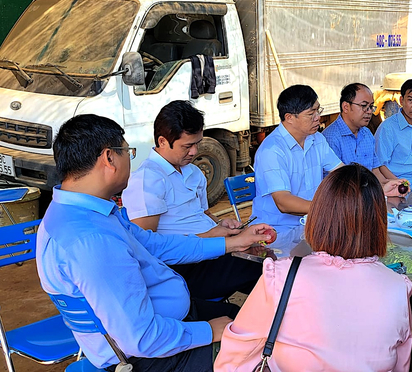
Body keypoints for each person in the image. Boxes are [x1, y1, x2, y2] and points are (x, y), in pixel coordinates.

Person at [36, 114, 275, 372]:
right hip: (152, 357)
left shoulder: (84, 212)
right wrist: (207, 331)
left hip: (170, 321)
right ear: (109, 158)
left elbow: (156, 245)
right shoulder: (91, 239)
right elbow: (142, 339)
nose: (131, 158)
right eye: (127, 151)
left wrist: (233, 243)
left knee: (242, 316)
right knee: (267, 348)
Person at [214, 164, 412, 371]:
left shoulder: (281, 277)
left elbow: (233, 359)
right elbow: (400, 364)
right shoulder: (399, 287)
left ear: (317, 217)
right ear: (380, 223)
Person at [122, 100, 264, 302]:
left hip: (210, 251)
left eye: (197, 143)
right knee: (262, 271)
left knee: (265, 259)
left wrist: (220, 224)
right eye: (187, 146)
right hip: (181, 268)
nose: (194, 152)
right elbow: (146, 245)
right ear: (162, 141)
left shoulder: (193, 172)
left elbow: (202, 213)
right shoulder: (148, 179)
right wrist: (209, 236)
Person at [253, 85, 405, 230]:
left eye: (318, 110)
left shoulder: (316, 139)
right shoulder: (272, 150)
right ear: (290, 117)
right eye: (311, 113)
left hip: (314, 222)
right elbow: (283, 202)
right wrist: (331, 208)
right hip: (278, 230)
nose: (318, 118)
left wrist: (377, 189)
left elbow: (343, 174)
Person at [323, 83, 398, 182]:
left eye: (371, 106)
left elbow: (375, 172)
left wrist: (392, 183)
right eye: (363, 106)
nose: (369, 111)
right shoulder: (330, 138)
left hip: (368, 192)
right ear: (346, 107)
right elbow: (338, 184)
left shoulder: (366, 133)